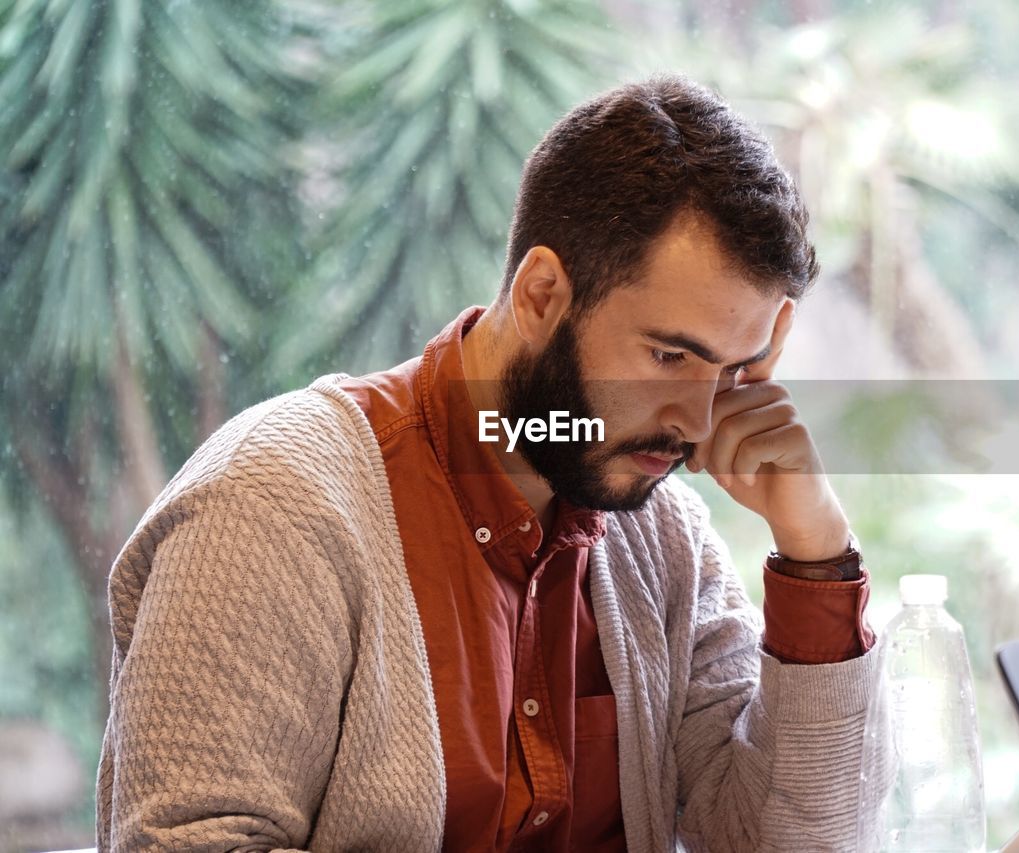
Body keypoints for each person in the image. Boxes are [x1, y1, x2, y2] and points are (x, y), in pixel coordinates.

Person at [96, 75, 881, 852]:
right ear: (541, 293)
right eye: (670, 355)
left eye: (735, 370)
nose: (700, 422)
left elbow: (793, 837)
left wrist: (816, 546)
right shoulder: (270, 506)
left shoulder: (662, 535)